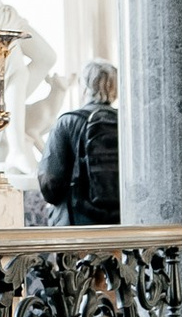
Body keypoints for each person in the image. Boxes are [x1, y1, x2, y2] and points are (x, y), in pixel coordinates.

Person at [38, 58, 121, 226]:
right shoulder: (126, 122)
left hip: (77, 226)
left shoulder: (67, 122)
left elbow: (50, 185)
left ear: (85, 86)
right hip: (120, 224)